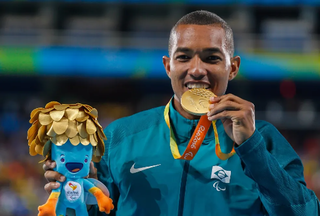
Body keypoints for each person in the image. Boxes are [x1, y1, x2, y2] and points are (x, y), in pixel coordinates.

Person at [43, 10, 320, 215]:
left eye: (212, 58)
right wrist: (77, 195)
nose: (197, 69)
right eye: (184, 57)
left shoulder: (263, 138)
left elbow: (304, 212)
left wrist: (252, 148)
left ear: (232, 67)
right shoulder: (120, 136)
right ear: (168, 66)